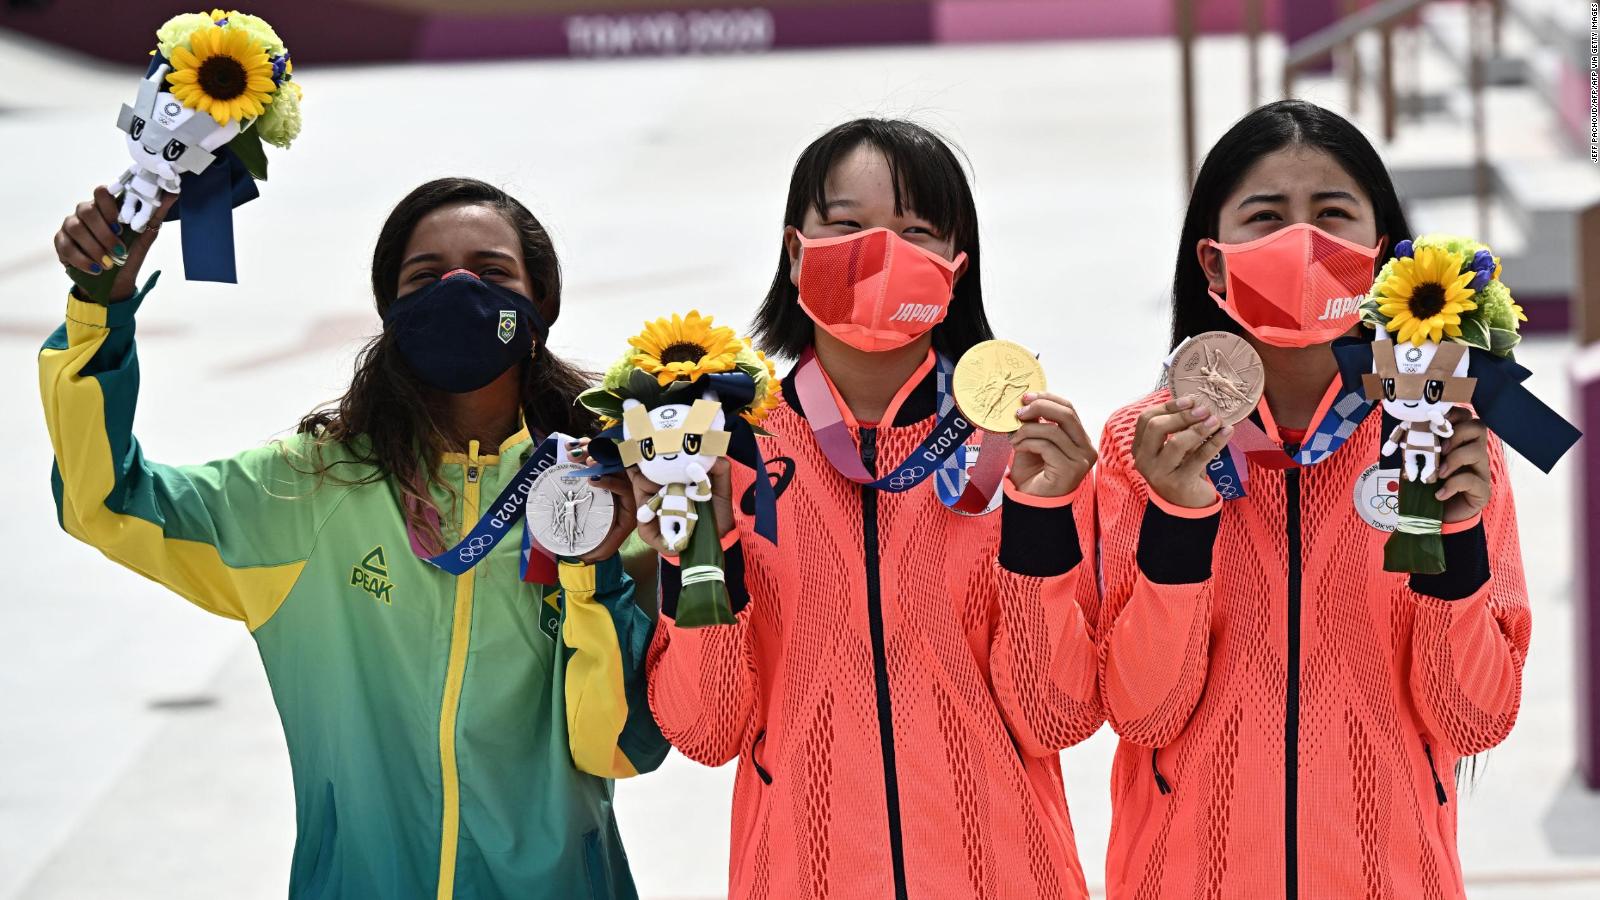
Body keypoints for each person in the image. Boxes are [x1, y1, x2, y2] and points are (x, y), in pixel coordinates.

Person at [40, 176, 667, 898]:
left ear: (540, 303)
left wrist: (591, 571)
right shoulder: (309, 491)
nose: (459, 290)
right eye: (426, 277)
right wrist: (99, 309)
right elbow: (106, 501)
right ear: (393, 311)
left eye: (491, 273)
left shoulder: (609, 492)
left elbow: (623, 744)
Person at [640, 118, 1103, 899]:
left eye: (915, 231)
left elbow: (1055, 714)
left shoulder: (1021, 449)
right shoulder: (724, 453)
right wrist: (702, 557)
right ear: (796, 253)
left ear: (956, 269)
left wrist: (1041, 518)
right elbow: (706, 729)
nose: (880, 253)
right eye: (847, 226)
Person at [1095, 100, 1529, 898]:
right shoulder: (1145, 447)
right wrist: (1179, 523)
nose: (1302, 245)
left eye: (1332, 215)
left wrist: (1458, 543)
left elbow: (1469, 720)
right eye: (1265, 218)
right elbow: (1143, 713)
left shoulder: (1432, 436)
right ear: (1215, 264)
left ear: (1384, 257)